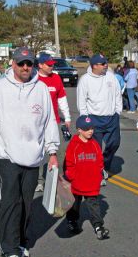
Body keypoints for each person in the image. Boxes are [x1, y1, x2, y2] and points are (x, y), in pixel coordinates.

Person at [0, 46, 59, 257]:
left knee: (26, 203)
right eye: (21, 63)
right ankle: (10, 250)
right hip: (5, 154)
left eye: (29, 63)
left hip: (33, 155)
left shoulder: (41, 89)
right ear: (13, 64)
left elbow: (49, 122)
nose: (26, 67)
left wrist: (53, 151)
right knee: (10, 201)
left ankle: (20, 241)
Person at [77, 54, 122, 186]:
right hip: (94, 119)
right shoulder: (85, 80)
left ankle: (104, 165)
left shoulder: (110, 77)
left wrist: (118, 112)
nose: (106, 65)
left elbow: (117, 94)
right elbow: (81, 100)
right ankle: (98, 172)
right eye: (102, 63)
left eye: (106, 62)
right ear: (94, 66)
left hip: (111, 117)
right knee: (95, 149)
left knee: (114, 144)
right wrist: (85, 118)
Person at [64, 115, 109, 240]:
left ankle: (98, 226)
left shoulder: (94, 144)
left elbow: (100, 159)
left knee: (94, 205)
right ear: (79, 130)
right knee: (74, 205)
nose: (90, 131)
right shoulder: (74, 145)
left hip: (91, 183)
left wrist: (100, 172)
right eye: (87, 129)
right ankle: (72, 222)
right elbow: (69, 162)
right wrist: (71, 176)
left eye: (92, 128)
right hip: (77, 183)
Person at [35, 53, 71, 192]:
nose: (52, 66)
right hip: (37, 123)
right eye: (49, 65)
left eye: (52, 64)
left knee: (56, 151)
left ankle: (57, 179)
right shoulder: (34, 79)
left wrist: (67, 118)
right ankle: (39, 181)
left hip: (54, 121)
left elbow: (62, 99)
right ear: (40, 65)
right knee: (40, 154)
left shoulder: (56, 78)